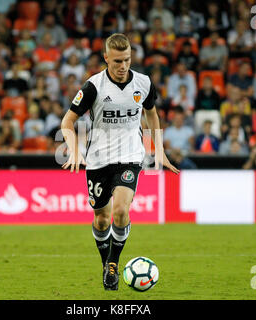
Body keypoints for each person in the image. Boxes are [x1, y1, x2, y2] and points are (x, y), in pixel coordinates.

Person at [60, 33, 179, 291]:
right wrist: (74, 151)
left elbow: (152, 114)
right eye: (117, 61)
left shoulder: (144, 83)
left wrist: (158, 149)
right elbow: (67, 121)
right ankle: (106, 264)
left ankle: (113, 265)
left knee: (121, 210)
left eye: (126, 60)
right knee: (101, 218)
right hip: (98, 159)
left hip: (130, 156)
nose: (123, 66)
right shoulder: (93, 86)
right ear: (106, 59)